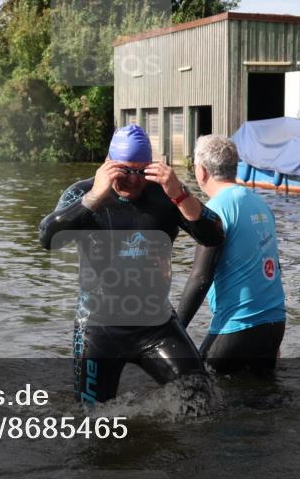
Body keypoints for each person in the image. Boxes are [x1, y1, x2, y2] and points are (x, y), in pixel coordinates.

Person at [39, 125, 224, 407]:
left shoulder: (165, 194)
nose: (133, 180)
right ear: (108, 163)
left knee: (203, 400)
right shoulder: (82, 193)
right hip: (98, 327)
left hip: (156, 325)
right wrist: (93, 199)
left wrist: (179, 193)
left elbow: (214, 235)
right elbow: (47, 238)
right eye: (124, 170)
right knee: (92, 423)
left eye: (141, 171)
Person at [177, 135, 287, 376]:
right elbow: (275, 266)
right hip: (274, 324)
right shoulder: (259, 202)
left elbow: (200, 276)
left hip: (238, 326)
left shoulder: (215, 210)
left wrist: (175, 330)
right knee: (259, 401)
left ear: (201, 171)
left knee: (197, 389)